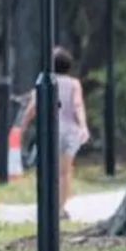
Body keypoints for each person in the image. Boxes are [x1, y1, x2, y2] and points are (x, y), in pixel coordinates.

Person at [16, 47, 90, 215]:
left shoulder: (45, 81)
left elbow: (33, 108)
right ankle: (61, 208)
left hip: (51, 130)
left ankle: (48, 205)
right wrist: (83, 126)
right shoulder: (74, 84)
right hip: (71, 131)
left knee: (49, 169)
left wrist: (23, 125)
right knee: (65, 171)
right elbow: (78, 105)